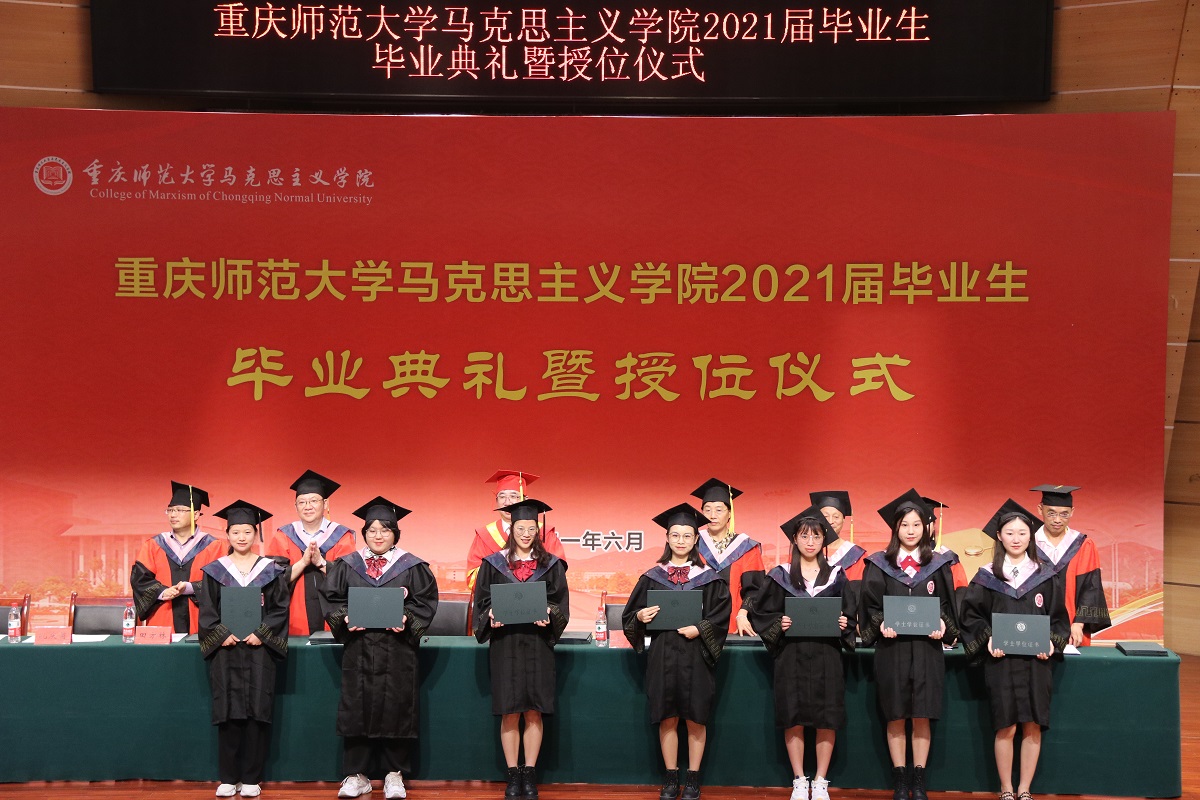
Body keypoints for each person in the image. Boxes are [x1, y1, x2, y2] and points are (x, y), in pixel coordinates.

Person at [320, 496, 439, 800]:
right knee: (356, 707)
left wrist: (407, 618)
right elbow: (331, 599)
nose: (378, 535)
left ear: (395, 533)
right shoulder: (347, 565)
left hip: (397, 650)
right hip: (359, 649)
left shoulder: (413, 566)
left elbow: (425, 602)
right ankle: (356, 775)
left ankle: (394, 775)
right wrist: (345, 618)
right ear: (364, 533)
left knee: (397, 707)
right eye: (372, 530)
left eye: (385, 530)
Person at [960, 499, 1070, 800]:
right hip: (1001, 662)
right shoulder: (987, 576)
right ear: (999, 536)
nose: (1016, 538)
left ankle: (1025, 789)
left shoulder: (1045, 575)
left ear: (1030, 536)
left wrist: (1051, 642)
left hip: (1037, 663)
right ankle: (1006, 788)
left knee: (1033, 726)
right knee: (1006, 726)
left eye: (1022, 533)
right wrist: (988, 638)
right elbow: (971, 617)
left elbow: (1058, 618)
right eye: (1010, 533)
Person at [622, 503, 732, 800]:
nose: (681, 541)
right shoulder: (652, 577)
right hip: (663, 655)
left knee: (696, 717)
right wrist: (640, 617)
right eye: (675, 535)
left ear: (696, 539)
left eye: (687, 536)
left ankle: (693, 779)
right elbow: (630, 616)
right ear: (667, 538)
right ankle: (671, 777)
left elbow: (721, 617)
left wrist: (701, 628)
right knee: (667, 715)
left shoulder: (710, 578)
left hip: (696, 655)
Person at [859, 490, 959, 800]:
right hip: (893, 651)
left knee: (921, 714)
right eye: (905, 525)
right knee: (896, 714)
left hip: (927, 651)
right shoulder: (879, 564)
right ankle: (900, 779)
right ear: (896, 528)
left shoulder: (937, 565)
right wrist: (881, 624)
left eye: (917, 524)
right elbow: (869, 607)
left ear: (926, 527)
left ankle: (919, 779)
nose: (911, 531)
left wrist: (943, 625)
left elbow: (948, 606)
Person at [750, 507, 854, 800]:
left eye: (816, 536)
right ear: (794, 539)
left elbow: (850, 613)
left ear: (824, 540)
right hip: (791, 656)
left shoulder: (837, 576)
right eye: (805, 536)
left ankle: (820, 780)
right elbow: (762, 614)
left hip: (827, 655)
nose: (810, 542)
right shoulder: (779, 575)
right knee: (792, 715)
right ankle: (799, 779)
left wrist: (844, 623)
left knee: (827, 717)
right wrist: (779, 623)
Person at [473, 498, 570, 799]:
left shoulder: (551, 565)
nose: (526, 534)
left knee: (534, 710)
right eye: (520, 528)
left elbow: (560, 603)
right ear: (511, 529)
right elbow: (482, 603)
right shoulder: (493, 563)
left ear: (538, 531)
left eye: (531, 529)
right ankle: (512, 774)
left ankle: (530, 773)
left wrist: (550, 614)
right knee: (510, 711)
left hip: (538, 645)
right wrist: (490, 616)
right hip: (506, 645)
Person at [198, 500, 290, 799]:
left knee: (257, 712)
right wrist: (220, 634)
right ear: (227, 534)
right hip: (226, 651)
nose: (241, 537)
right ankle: (228, 777)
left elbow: (279, 609)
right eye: (235, 532)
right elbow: (208, 610)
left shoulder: (270, 570)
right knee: (228, 712)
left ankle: (252, 777)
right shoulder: (215, 571)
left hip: (258, 650)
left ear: (256, 535)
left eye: (247, 531)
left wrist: (261, 634)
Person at [265, 470, 358, 636]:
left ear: (326, 503)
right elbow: (272, 580)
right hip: (294, 618)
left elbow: (349, 579)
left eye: (314, 500)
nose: (307, 506)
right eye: (302, 502)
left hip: (334, 616)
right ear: (295, 506)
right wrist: (303, 562)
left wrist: (321, 563)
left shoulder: (342, 536)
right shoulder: (283, 536)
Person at [131, 481, 225, 633]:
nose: (173, 515)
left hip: (201, 624)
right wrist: (162, 592)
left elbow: (220, 583)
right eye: (170, 510)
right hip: (162, 621)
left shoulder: (213, 546)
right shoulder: (154, 545)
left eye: (180, 510)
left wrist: (190, 588)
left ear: (196, 514)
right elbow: (140, 580)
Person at [1029, 485, 1111, 646]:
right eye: (1051, 513)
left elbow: (1091, 587)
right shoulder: (1028, 544)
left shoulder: (1082, 545)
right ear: (1040, 509)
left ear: (1072, 512)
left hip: (1073, 627)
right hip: (1034, 624)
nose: (1057, 520)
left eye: (1064, 514)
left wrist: (1079, 623)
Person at [467, 470, 566, 592]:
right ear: (496, 501)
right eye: (502, 496)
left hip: (538, 600)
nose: (507, 502)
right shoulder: (485, 536)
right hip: (499, 601)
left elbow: (557, 578)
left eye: (513, 496)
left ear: (525, 499)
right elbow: (474, 581)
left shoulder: (545, 533)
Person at [692, 478, 764, 636]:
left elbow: (755, 590)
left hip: (735, 625)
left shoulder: (746, 547)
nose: (712, 515)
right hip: (696, 626)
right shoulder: (692, 544)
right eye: (707, 510)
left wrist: (743, 614)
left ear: (729, 513)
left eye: (719, 510)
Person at [808, 491, 865, 629]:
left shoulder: (856, 555)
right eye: (825, 516)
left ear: (844, 520)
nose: (831, 521)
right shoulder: (806, 551)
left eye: (836, 516)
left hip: (844, 623)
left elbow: (858, 594)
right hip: (808, 619)